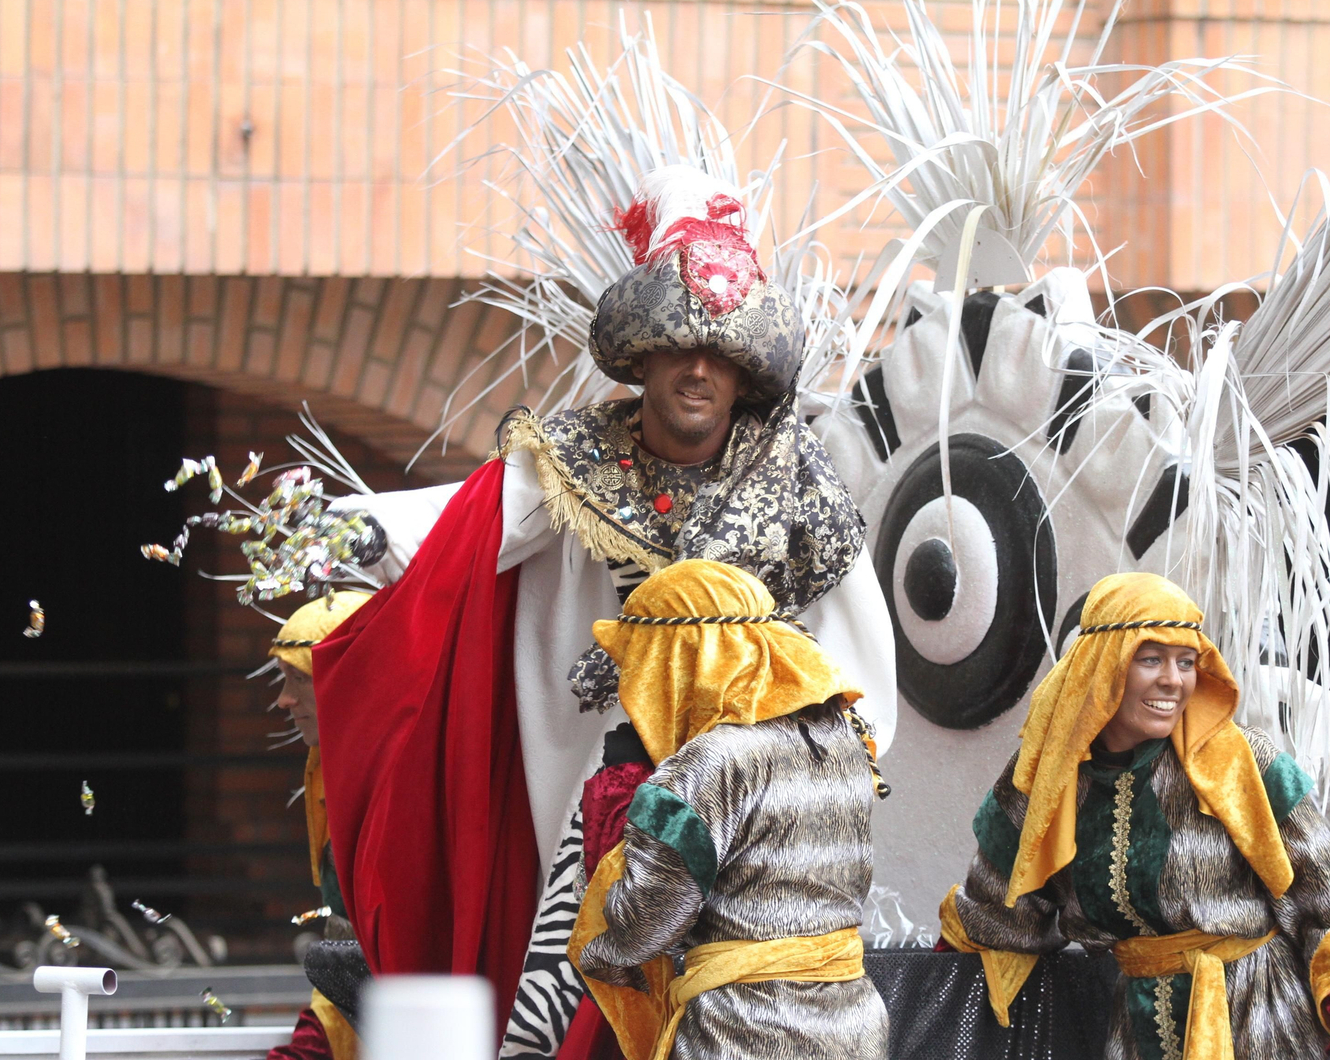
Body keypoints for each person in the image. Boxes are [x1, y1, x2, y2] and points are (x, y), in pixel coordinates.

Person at [310, 167, 897, 1056]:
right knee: (567, 1007)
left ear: (745, 376)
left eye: (722, 353)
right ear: (642, 356)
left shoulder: (796, 473)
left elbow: (856, 652)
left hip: (752, 811)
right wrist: (345, 533)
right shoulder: (576, 458)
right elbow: (462, 528)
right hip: (611, 794)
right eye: (677, 346)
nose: (698, 369)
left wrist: (824, 777)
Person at [939, 572, 1330, 1060]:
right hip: (1137, 1036)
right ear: (1102, 668)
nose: (1173, 680)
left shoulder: (1245, 763)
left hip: (1267, 1029)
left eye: (1186, 662)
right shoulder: (1045, 781)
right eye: (1151, 659)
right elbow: (994, 916)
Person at [568, 559, 889, 1060]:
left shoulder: (706, 765)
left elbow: (646, 924)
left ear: (675, 662)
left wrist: (604, 948)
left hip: (742, 1032)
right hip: (854, 1027)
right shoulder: (842, 737)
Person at [262, 591, 373, 1060]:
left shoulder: (405, 780)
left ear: (348, 676)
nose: (284, 701)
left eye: (299, 678)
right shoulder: (329, 768)